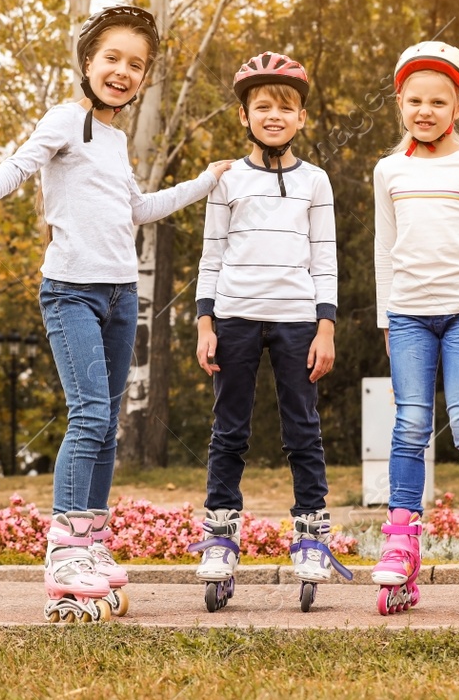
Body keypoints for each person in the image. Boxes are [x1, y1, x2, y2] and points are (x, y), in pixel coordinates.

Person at [0, 4, 233, 622]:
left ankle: (91, 543)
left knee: (107, 423)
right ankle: (64, 551)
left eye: (135, 65)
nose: (123, 71)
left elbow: (136, 209)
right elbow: (19, 165)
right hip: (72, 292)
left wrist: (204, 180)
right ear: (88, 63)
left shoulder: (115, 141)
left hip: (121, 295)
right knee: (89, 413)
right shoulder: (66, 119)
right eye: (112, 58)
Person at [190, 51, 350, 614]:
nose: (274, 116)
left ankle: (310, 538)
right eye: (262, 106)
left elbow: (325, 256)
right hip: (233, 316)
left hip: (296, 319)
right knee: (228, 431)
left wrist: (325, 327)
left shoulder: (316, 180)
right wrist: (205, 321)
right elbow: (210, 254)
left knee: (302, 430)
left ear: (302, 117)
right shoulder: (226, 179)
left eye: (285, 107)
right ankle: (219, 538)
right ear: (244, 116)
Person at [370, 41, 459, 617]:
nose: (424, 110)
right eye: (413, 100)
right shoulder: (389, 170)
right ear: (400, 104)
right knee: (409, 423)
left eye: (437, 100)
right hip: (407, 314)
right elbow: (384, 247)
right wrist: (385, 318)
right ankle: (402, 538)